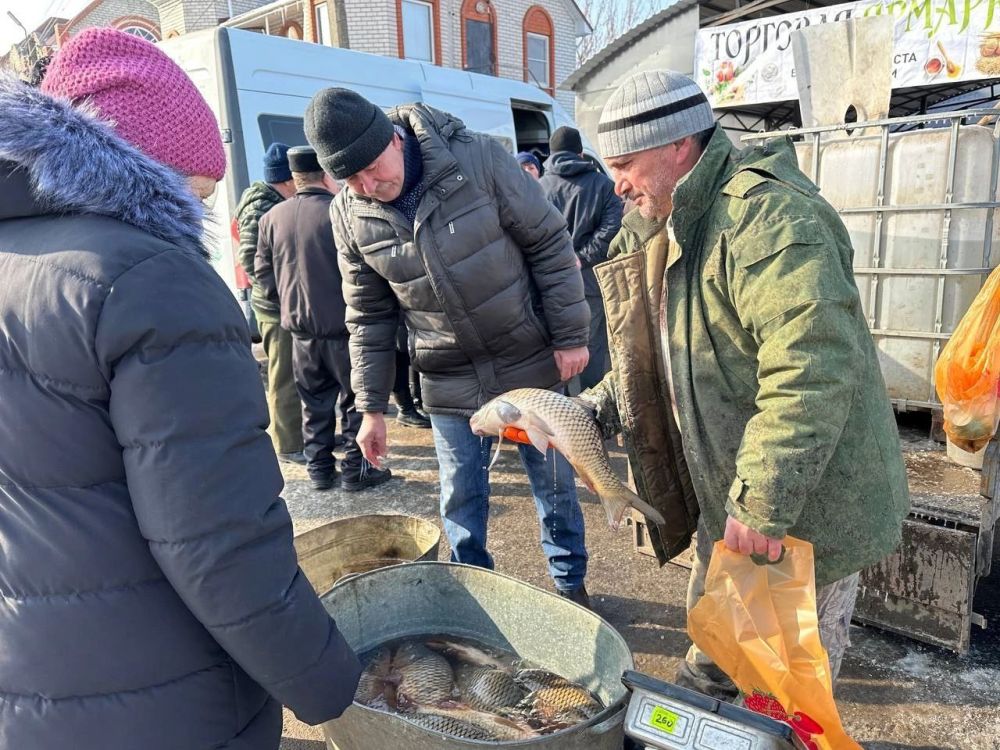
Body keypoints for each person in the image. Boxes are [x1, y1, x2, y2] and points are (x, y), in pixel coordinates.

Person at [0, 29, 361, 748]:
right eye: (198, 187)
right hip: (164, 693)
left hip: (35, 676)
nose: (205, 205)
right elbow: (217, 537)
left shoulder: (16, 256)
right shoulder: (152, 280)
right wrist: (327, 679)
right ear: (149, 164)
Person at [579, 70, 909, 697]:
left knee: (788, 693)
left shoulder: (768, 219)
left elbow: (810, 367)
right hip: (726, 503)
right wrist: (593, 409)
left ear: (678, 145)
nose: (615, 183)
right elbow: (656, 355)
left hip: (792, 516)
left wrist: (762, 499)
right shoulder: (664, 221)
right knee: (717, 667)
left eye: (625, 163)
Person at [305, 88, 594, 606]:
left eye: (373, 168)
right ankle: (472, 596)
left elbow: (550, 242)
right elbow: (368, 316)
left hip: (527, 361)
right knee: (460, 494)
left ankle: (570, 585)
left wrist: (571, 335)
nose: (370, 187)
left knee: (553, 485)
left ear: (395, 139)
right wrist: (371, 408)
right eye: (352, 180)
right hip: (446, 376)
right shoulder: (349, 214)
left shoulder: (480, 159)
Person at [256, 146, 392, 492]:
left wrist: (288, 306)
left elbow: (263, 276)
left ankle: (318, 468)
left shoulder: (271, 218)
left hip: (300, 332)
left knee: (313, 403)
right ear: (326, 174)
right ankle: (355, 469)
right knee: (353, 402)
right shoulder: (337, 212)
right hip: (342, 327)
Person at [235, 142, 305, 464]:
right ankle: (290, 444)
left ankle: (298, 434)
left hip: (280, 304)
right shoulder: (261, 207)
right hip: (276, 309)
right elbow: (251, 261)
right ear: (287, 180)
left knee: (295, 373)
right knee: (284, 377)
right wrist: (283, 295)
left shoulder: (267, 201)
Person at [539, 126, 622, 392]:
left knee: (551, 352)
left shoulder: (537, 188)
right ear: (581, 153)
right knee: (592, 351)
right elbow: (612, 230)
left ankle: (555, 416)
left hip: (547, 285)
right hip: (590, 283)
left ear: (550, 154)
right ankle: (590, 418)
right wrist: (581, 257)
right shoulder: (604, 185)